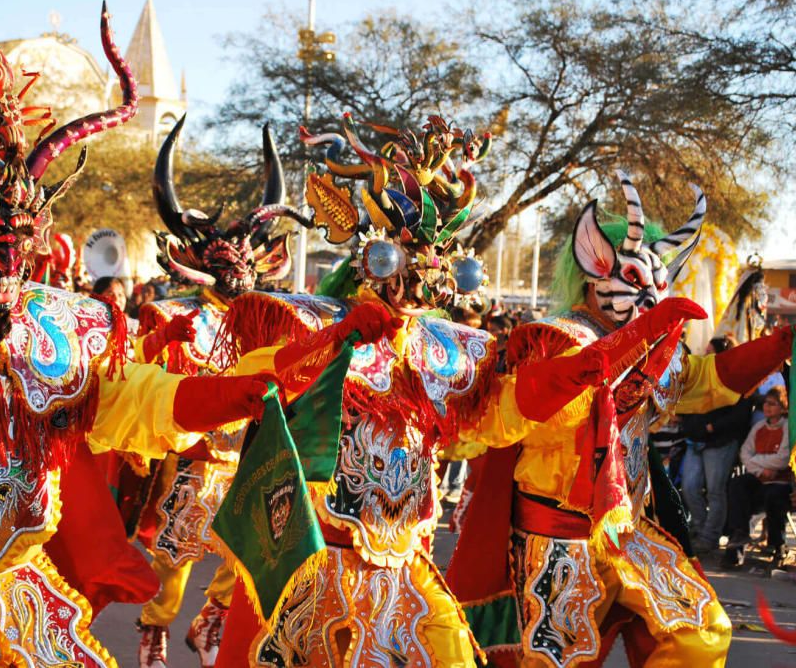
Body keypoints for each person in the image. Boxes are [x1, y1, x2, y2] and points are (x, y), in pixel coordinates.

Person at [0, 20, 401, 665]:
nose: (7, 256)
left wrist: (248, 390)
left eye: (23, 238)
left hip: (13, 610)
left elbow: (146, 400)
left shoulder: (59, 325)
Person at [212, 116, 687, 667]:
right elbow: (257, 384)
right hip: (314, 559)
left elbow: (499, 415)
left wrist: (589, 365)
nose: (416, 277)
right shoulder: (306, 321)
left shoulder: (449, 349)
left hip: (402, 565)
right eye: (400, 256)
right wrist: (339, 341)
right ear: (370, 253)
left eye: (433, 261)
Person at [446, 170, 796, 667]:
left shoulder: (659, 346)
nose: (650, 295)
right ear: (593, 267)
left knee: (700, 631)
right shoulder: (553, 339)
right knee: (558, 660)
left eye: (659, 284)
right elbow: (537, 405)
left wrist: (775, 348)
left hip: (629, 532)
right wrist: (633, 345)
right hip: (557, 537)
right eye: (635, 280)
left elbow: (703, 382)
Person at [132, 117, 311, 668]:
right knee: (175, 560)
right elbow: (140, 377)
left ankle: (213, 623)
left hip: (252, 460)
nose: (235, 269)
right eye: (220, 261)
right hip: (196, 462)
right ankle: (154, 632)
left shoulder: (274, 320)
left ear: (264, 262)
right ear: (192, 265)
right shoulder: (169, 314)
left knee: (248, 560)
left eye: (244, 259)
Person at [679, 337, 753, 554]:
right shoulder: (702, 374)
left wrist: (713, 426)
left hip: (721, 442)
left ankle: (709, 537)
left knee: (715, 491)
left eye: (710, 351)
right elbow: (689, 401)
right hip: (696, 440)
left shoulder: (738, 378)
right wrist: (692, 425)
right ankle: (700, 529)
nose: (705, 354)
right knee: (690, 487)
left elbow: (740, 413)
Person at [723, 387, 794, 569]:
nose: (767, 407)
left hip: (782, 483)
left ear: (783, 407)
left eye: (772, 404)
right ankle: (738, 540)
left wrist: (759, 462)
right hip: (760, 479)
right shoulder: (759, 427)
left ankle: (778, 545)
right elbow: (745, 454)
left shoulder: (788, 427)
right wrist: (760, 471)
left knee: (774, 496)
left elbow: (783, 457)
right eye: (765, 403)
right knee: (738, 485)